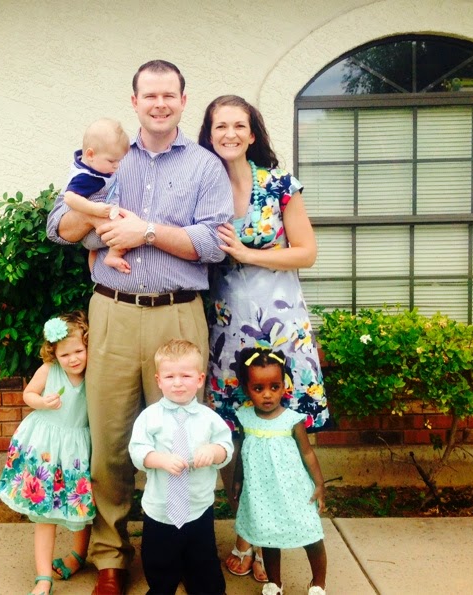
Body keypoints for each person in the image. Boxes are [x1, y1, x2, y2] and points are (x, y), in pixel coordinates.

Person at [47, 60, 234, 595]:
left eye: (168, 95)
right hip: (114, 312)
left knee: (181, 436)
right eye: (149, 95)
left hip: (178, 314)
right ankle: (110, 556)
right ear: (134, 101)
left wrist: (145, 231)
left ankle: (179, 552)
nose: (159, 103)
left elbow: (213, 243)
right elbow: (59, 228)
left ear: (183, 100)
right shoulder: (109, 159)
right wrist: (97, 217)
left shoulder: (205, 167)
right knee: (110, 440)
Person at [198, 94, 329, 583]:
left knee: (281, 430)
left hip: (280, 326)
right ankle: (247, 534)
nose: (229, 134)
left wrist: (249, 254)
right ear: (209, 135)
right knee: (235, 430)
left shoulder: (279, 185)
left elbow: (307, 252)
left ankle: (280, 527)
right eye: (220, 126)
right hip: (227, 327)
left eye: (239, 125)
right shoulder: (202, 185)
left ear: (252, 134)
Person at [0, 311, 95, 595]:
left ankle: (77, 556)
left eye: (78, 351)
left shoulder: (93, 373)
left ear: (88, 346)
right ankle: (43, 578)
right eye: (65, 355)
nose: (73, 359)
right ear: (54, 354)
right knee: (44, 513)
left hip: (76, 451)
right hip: (47, 451)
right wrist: (41, 402)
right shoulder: (49, 371)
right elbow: (28, 394)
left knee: (80, 506)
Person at [129, 339, 234, 595]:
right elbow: (137, 450)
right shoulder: (149, 417)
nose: (177, 383)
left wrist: (213, 451)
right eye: (170, 376)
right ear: (158, 380)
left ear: (199, 379)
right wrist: (160, 459)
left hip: (198, 508)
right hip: (161, 510)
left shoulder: (210, 419)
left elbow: (226, 448)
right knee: (159, 562)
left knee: (203, 563)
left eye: (185, 376)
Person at [233, 347, 327, 595]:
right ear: (247, 389)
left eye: (274, 387)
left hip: (294, 491)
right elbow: (242, 452)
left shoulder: (292, 420)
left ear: (284, 386)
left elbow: (308, 453)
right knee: (268, 536)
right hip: (262, 492)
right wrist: (237, 481)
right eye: (258, 388)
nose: (267, 395)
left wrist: (319, 484)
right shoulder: (245, 418)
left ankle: (318, 583)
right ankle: (274, 582)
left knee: (310, 534)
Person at [62, 118, 131, 273]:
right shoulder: (86, 177)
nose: (117, 165)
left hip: (96, 231)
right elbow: (69, 197)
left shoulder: (95, 168)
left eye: (119, 161)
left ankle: (95, 268)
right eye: (112, 161)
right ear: (90, 154)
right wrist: (94, 210)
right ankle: (113, 255)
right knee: (124, 229)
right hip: (95, 232)